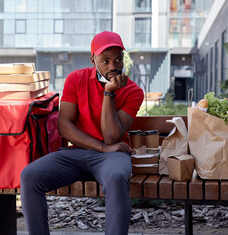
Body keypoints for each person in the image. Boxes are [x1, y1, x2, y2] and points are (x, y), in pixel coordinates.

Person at [20, 31, 144, 235]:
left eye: (118, 59)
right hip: (77, 153)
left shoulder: (133, 91)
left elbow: (112, 136)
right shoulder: (76, 79)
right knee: (30, 175)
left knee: (116, 177)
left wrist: (109, 93)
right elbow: (65, 127)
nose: (113, 66)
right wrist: (102, 147)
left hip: (113, 156)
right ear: (93, 59)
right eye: (105, 61)